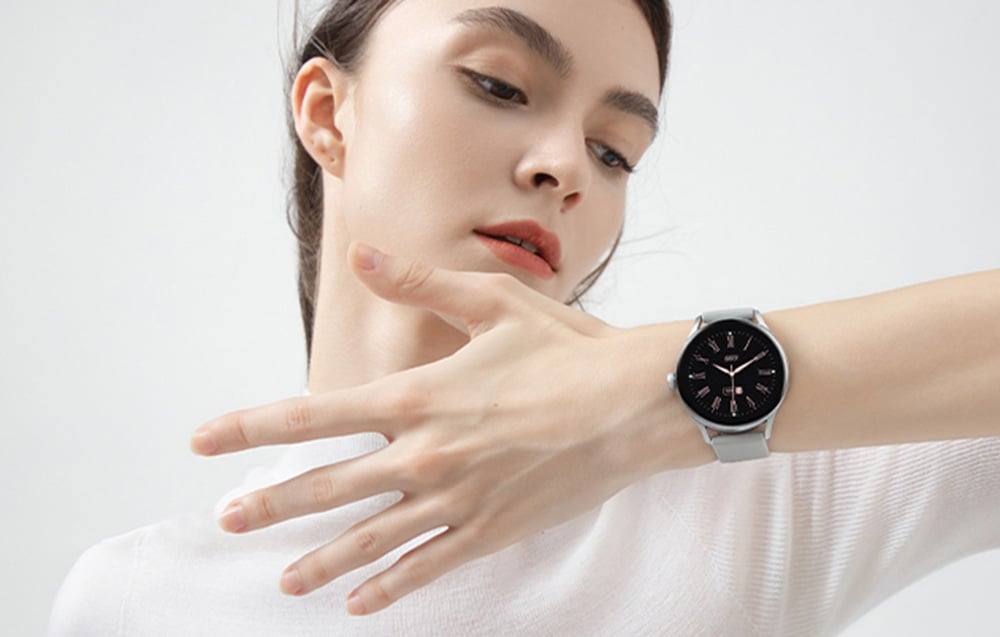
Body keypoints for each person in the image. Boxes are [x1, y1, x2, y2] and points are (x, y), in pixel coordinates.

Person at [50, 0, 1000, 634]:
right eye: (499, 86)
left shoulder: (755, 492)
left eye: (615, 150)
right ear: (328, 114)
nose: (568, 167)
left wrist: (660, 391)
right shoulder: (135, 601)